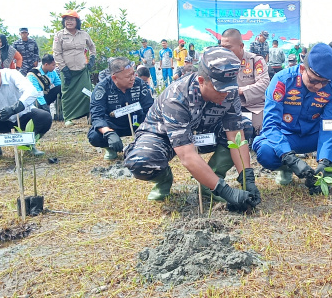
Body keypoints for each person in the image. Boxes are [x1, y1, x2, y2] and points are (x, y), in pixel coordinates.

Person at [123, 46, 260, 212]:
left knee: (245, 126)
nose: (226, 94)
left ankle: (211, 181)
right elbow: (187, 155)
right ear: (201, 81)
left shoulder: (228, 92)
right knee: (141, 162)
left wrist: (248, 179)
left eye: (230, 88)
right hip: (163, 138)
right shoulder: (177, 97)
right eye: (220, 89)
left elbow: (235, 136)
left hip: (202, 134)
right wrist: (226, 191)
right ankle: (164, 179)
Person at [252, 43, 332, 191]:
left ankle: (327, 171)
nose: (318, 87)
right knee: (264, 150)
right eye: (314, 80)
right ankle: (286, 170)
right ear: (303, 69)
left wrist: (325, 161)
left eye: (324, 83)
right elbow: (271, 125)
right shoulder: (282, 81)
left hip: (313, 135)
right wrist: (289, 158)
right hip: (285, 136)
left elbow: (328, 124)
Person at [89, 57, 154, 160]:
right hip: (113, 125)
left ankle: (142, 147)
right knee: (94, 136)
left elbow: (150, 108)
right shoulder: (102, 88)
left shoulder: (139, 84)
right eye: (129, 76)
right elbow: (97, 116)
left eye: (133, 74)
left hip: (136, 123)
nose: (133, 78)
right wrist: (108, 132)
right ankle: (111, 149)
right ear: (115, 78)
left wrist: (148, 128)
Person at [221, 28, 270, 134]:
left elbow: (264, 84)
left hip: (253, 106)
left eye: (228, 48)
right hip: (228, 107)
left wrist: (240, 90)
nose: (224, 51)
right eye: (222, 47)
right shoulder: (219, 62)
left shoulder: (255, 61)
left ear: (241, 46)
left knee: (260, 133)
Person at [53, 10, 96, 126]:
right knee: (67, 94)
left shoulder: (84, 34)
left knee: (87, 91)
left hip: (82, 70)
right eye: (67, 20)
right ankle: (68, 118)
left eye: (72, 19)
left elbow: (92, 47)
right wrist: (63, 68)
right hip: (67, 70)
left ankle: (89, 114)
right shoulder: (59, 35)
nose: (69, 22)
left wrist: (92, 59)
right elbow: (56, 53)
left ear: (77, 21)